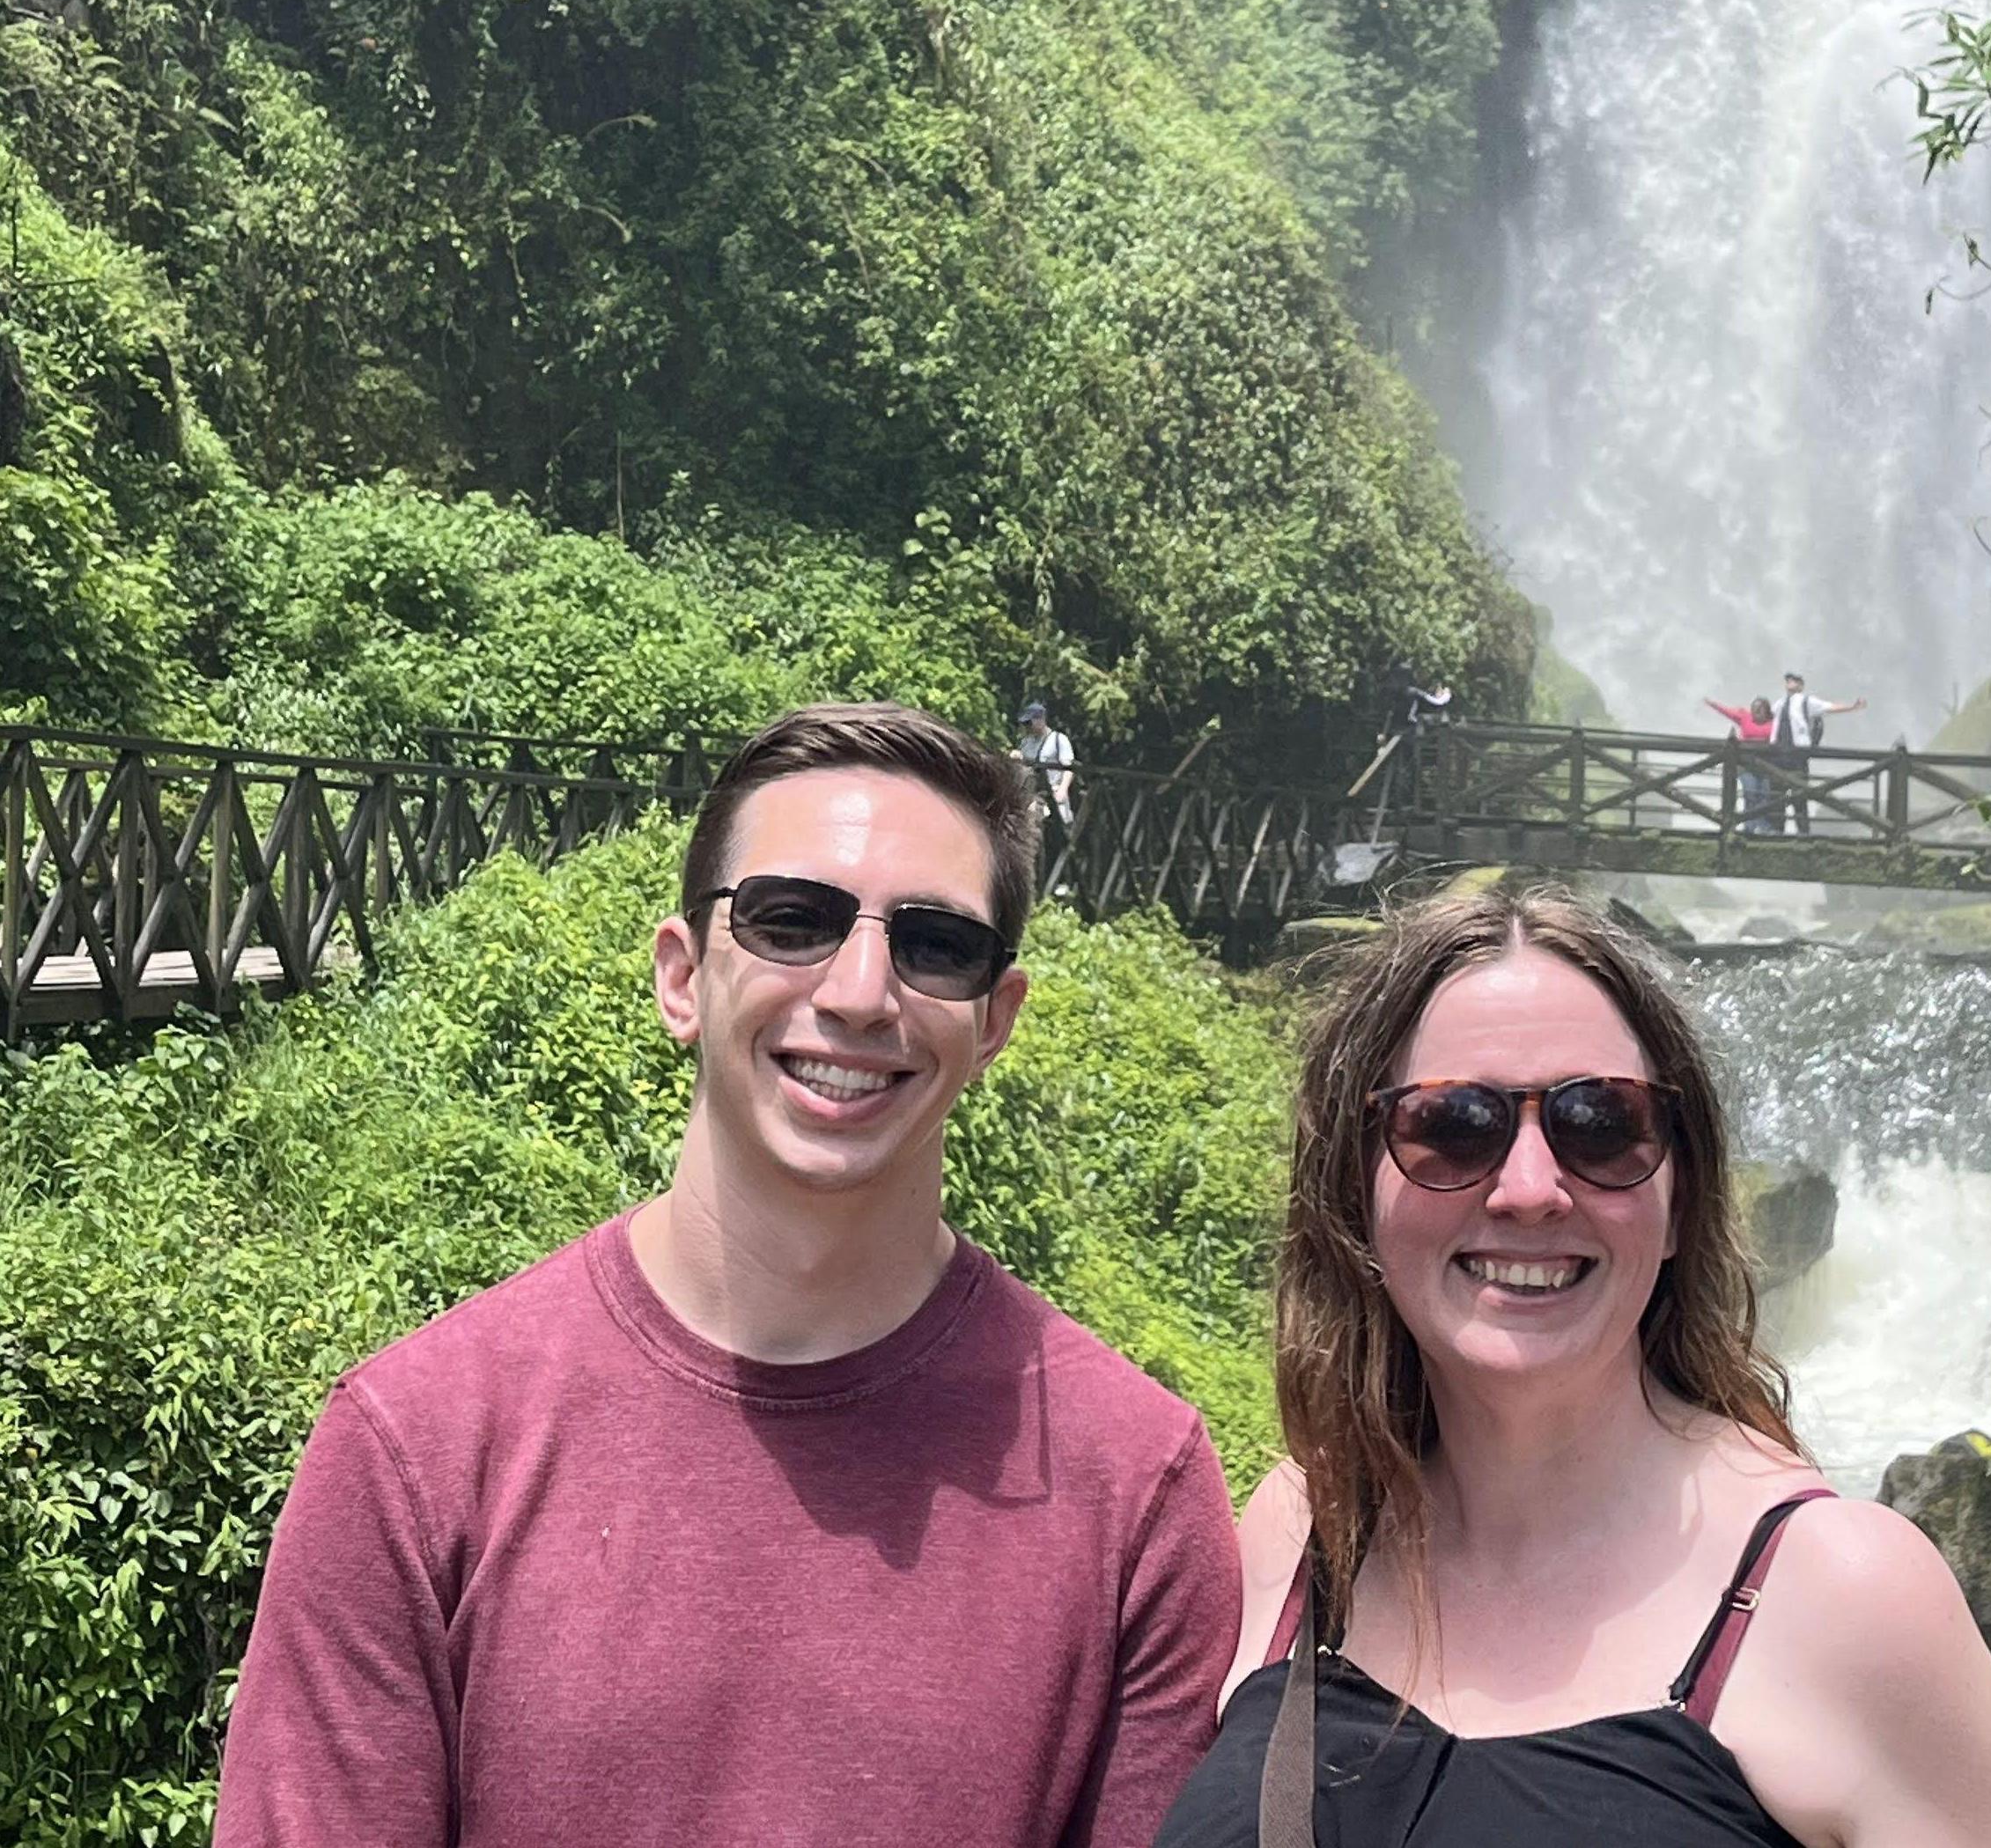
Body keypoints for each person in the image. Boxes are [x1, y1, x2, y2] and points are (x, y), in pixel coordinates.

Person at [219, 702, 1238, 1848]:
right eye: (791, 920)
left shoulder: (1136, 1493)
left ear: (994, 1020)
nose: (860, 991)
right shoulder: (417, 1450)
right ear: (682, 975)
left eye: (934, 945)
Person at [1155, 883, 1991, 1848]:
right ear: (1355, 1188)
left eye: (1599, 1122)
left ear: (1678, 1194)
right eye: (1451, 1124)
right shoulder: (1302, 1529)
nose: (1530, 1188)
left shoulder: (1842, 1594)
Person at [1768, 668, 1866, 836]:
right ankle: (1777, 832)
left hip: (1797, 755)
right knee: (1776, 796)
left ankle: (1803, 833)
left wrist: (1852, 707)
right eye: (1788, 680)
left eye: (1794, 680)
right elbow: (1764, 719)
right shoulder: (1779, 703)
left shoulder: (1807, 701)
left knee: (1799, 794)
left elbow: (1829, 707)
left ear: (1801, 685)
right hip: (1777, 754)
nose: (1790, 683)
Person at [1706, 693, 1779, 834]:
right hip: (1745, 765)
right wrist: (1712, 703)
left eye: (1760, 708)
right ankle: (1751, 829)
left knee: (1764, 797)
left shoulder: (1774, 722)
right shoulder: (1745, 717)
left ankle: (1759, 827)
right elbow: (1727, 712)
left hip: (1766, 766)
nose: (1756, 711)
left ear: (1767, 710)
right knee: (1750, 794)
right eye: (1754, 708)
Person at [1019, 694, 1077, 828]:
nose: (1027, 727)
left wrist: (1063, 789)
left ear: (1041, 719)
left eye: (1029, 722)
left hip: (1054, 794)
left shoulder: (1058, 739)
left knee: (1058, 830)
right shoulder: (1026, 742)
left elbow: (1069, 768)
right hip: (1032, 795)